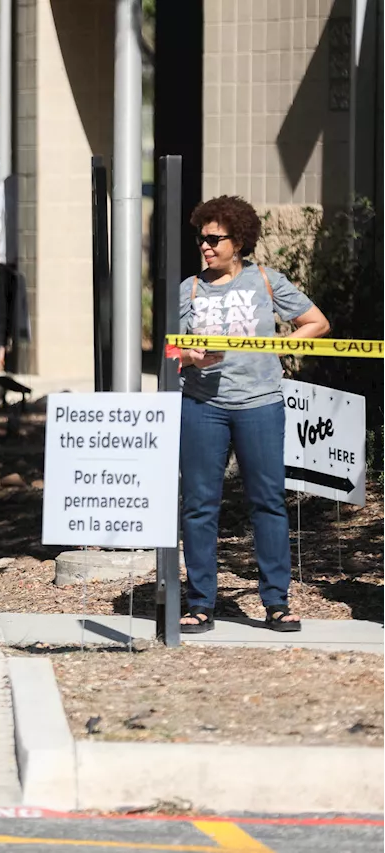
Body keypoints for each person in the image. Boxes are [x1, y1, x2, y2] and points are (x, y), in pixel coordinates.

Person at [177, 196, 329, 634]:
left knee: (267, 503)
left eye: (214, 239)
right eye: (200, 238)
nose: (204, 246)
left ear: (239, 240)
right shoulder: (188, 289)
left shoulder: (266, 281)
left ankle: (276, 603)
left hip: (261, 404)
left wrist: (277, 347)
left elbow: (316, 323)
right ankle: (201, 602)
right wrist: (189, 356)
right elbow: (169, 348)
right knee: (200, 506)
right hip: (203, 407)